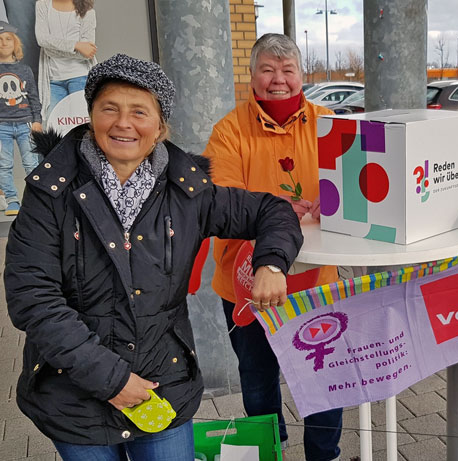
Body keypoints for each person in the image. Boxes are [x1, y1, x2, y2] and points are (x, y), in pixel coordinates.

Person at [5, 53, 303, 461]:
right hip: (75, 394)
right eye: (109, 108)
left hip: (163, 385)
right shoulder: (50, 192)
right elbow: (32, 300)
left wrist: (271, 264)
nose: (123, 123)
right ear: (90, 116)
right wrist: (112, 381)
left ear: (160, 126)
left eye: (139, 111)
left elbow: (274, 211)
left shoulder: (188, 192)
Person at [204, 33, 343, 461]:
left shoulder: (328, 122)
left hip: (317, 278)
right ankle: (269, 452)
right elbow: (220, 200)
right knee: (259, 379)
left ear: (302, 75)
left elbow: (355, 187)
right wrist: (277, 207)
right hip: (247, 281)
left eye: (287, 70)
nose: (277, 80)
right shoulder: (229, 131)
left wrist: (334, 201)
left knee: (324, 378)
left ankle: (324, 454)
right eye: (267, 70)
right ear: (252, 76)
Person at [0, 21, 43, 216]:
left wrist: (37, 120)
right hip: (2, 126)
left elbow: (33, 96)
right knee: (4, 164)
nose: (3, 43)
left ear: (15, 43)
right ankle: (12, 201)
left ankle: (36, 200)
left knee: (31, 163)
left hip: (26, 123)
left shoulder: (25, 71)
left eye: (8, 39)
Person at [35, 0, 97, 118]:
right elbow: (42, 40)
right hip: (53, 80)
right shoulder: (42, 5)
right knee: (54, 127)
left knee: (81, 127)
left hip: (80, 77)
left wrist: (51, 47)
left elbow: (87, 52)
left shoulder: (88, 11)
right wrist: (76, 46)